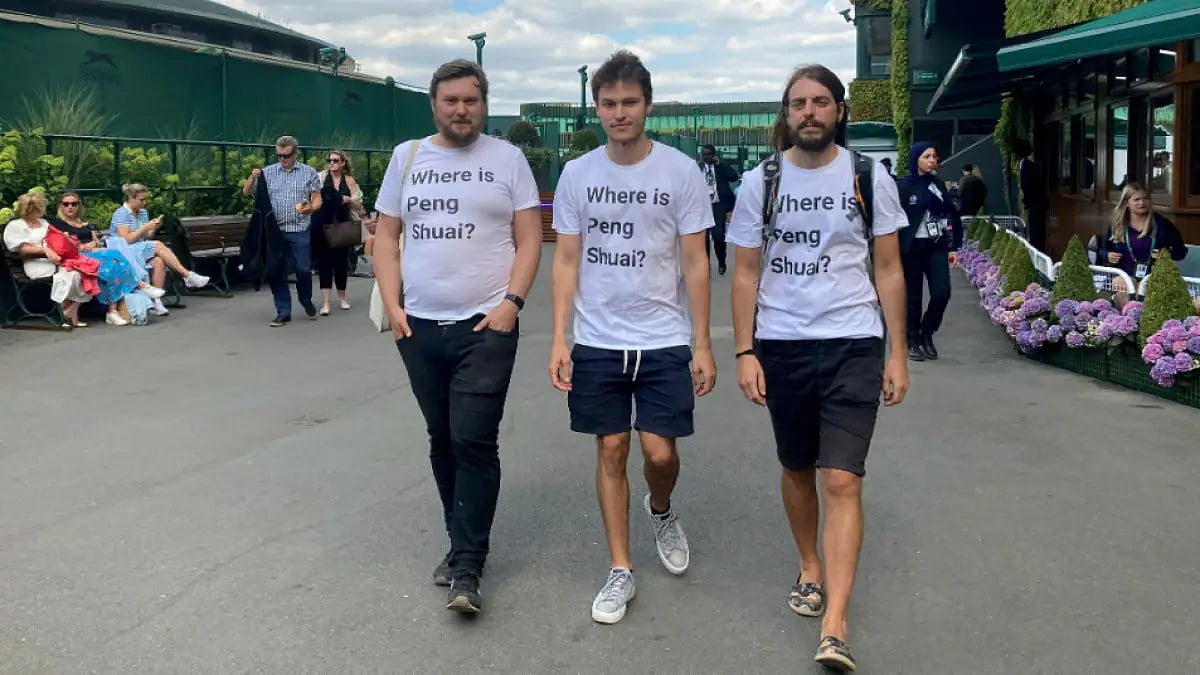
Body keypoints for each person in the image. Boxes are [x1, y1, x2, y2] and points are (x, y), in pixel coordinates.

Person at [727, 64, 909, 672]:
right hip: (782, 344)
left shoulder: (868, 176)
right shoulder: (761, 181)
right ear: (787, 112)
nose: (810, 112)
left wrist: (899, 353)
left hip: (854, 342)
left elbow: (888, 268)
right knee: (797, 466)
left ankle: (835, 622)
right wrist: (745, 350)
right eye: (799, 103)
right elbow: (746, 270)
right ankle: (810, 563)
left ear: (838, 110)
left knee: (842, 478)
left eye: (821, 102)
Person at [549, 50, 715, 626]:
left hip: (664, 335)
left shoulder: (680, 172)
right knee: (612, 447)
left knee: (659, 452)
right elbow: (566, 260)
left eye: (629, 103)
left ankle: (661, 507)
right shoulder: (578, 175)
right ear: (597, 109)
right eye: (609, 104)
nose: (619, 113)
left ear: (647, 105)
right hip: (597, 338)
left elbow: (696, 262)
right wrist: (559, 338)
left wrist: (702, 343)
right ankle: (620, 568)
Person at [373, 59, 542, 615]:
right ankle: (459, 541)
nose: (461, 110)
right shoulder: (408, 157)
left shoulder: (508, 159)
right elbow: (387, 235)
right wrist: (395, 307)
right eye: (451, 101)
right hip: (418, 327)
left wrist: (511, 304)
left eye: (471, 100)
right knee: (442, 438)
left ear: (484, 104)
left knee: (473, 439)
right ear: (435, 105)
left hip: (485, 328)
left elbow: (528, 237)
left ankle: (468, 564)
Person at [242, 135, 323, 326]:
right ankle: (283, 311)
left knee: (303, 268)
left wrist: (310, 208)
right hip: (274, 230)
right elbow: (246, 192)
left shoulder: (309, 173)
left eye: (286, 155)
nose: (283, 159)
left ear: (295, 153)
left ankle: (305, 299)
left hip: (299, 227)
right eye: (279, 155)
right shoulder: (268, 172)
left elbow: (317, 199)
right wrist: (252, 177)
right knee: (275, 270)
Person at [50, 192, 162, 326]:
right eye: (66, 204)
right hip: (78, 258)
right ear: (60, 206)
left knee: (113, 267)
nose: (70, 207)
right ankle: (138, 287)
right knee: (113, 256)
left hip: (95, 254)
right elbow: (62, 246)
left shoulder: (81, 223)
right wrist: (83, 246)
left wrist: (95, 243)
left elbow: (96, 241)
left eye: (73, 204)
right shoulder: (58, 225)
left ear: (78, 206)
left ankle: (113, 311)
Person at [896, 142, 963, 361]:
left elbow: (949, 216)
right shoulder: (904, 186)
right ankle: (912, 339)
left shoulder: (938, 185)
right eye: (926, 156)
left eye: (934, 156)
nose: (932, 160)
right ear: (916, 159)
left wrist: (952, 246)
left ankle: (927, 332)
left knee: (942, 292)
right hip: (912, 248)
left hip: (936, 246)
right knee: (912, 297)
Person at [110, 183, 210, 316]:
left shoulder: (143, 213)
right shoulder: (121, 214)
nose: (144, 203)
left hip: (140, 249)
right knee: (157, 244)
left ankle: (156, 302)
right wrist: (145, 227)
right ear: (131, 198)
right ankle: (187, 275)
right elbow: (125, 240)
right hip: (124, 252)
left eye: (145, 200)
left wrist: (153, 228)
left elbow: (147, 238)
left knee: (159, 262)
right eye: (141, 200)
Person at [4, 191, 94, 327]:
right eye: (36, 208)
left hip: (57, 260)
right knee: (74, 274)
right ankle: (66, 312)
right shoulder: (16, 226)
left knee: (89, 270)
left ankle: (69, 310)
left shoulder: (44, 223)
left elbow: (55, 240)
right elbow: (23, 249)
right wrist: (45, 250)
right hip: (36, 264)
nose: (39, 211)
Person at [1098, 182, 1188, 299]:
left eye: (1145, 199)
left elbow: (1181, 251)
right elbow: (1102, 250)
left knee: (1146, 288)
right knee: (1123, 284)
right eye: (1136, 199)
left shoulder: (1162, 224)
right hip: (1124, 275)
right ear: (1127, 203)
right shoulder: (1117, 224)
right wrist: (1108, 255)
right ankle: (1129, 315)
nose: (1141, 203)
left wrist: (1166, 255)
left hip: (1154, 277)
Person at [311, 149, 364, 315]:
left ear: (342, 163)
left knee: (341, 262)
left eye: (335, 160)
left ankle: (342, 298)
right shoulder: (320, 178)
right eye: (330, 160)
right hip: (322, 224)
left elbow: (358, 204)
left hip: (342, 225)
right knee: (324, 263)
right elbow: (313, 197)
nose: (332, 163)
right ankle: (325, 303)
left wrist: (348, 200)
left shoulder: (349, 181)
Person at [698, 144, 740, 275]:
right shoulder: (697, 168)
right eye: (703, 154)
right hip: (702, 207)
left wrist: (721, 164)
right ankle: (706, 267)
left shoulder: (720, 167)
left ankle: (722, 261)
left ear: (714, 155)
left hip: (718, 206)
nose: (706, 157)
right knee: (703, 240)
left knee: (718, 237)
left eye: (708, 154)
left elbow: (734, 177)